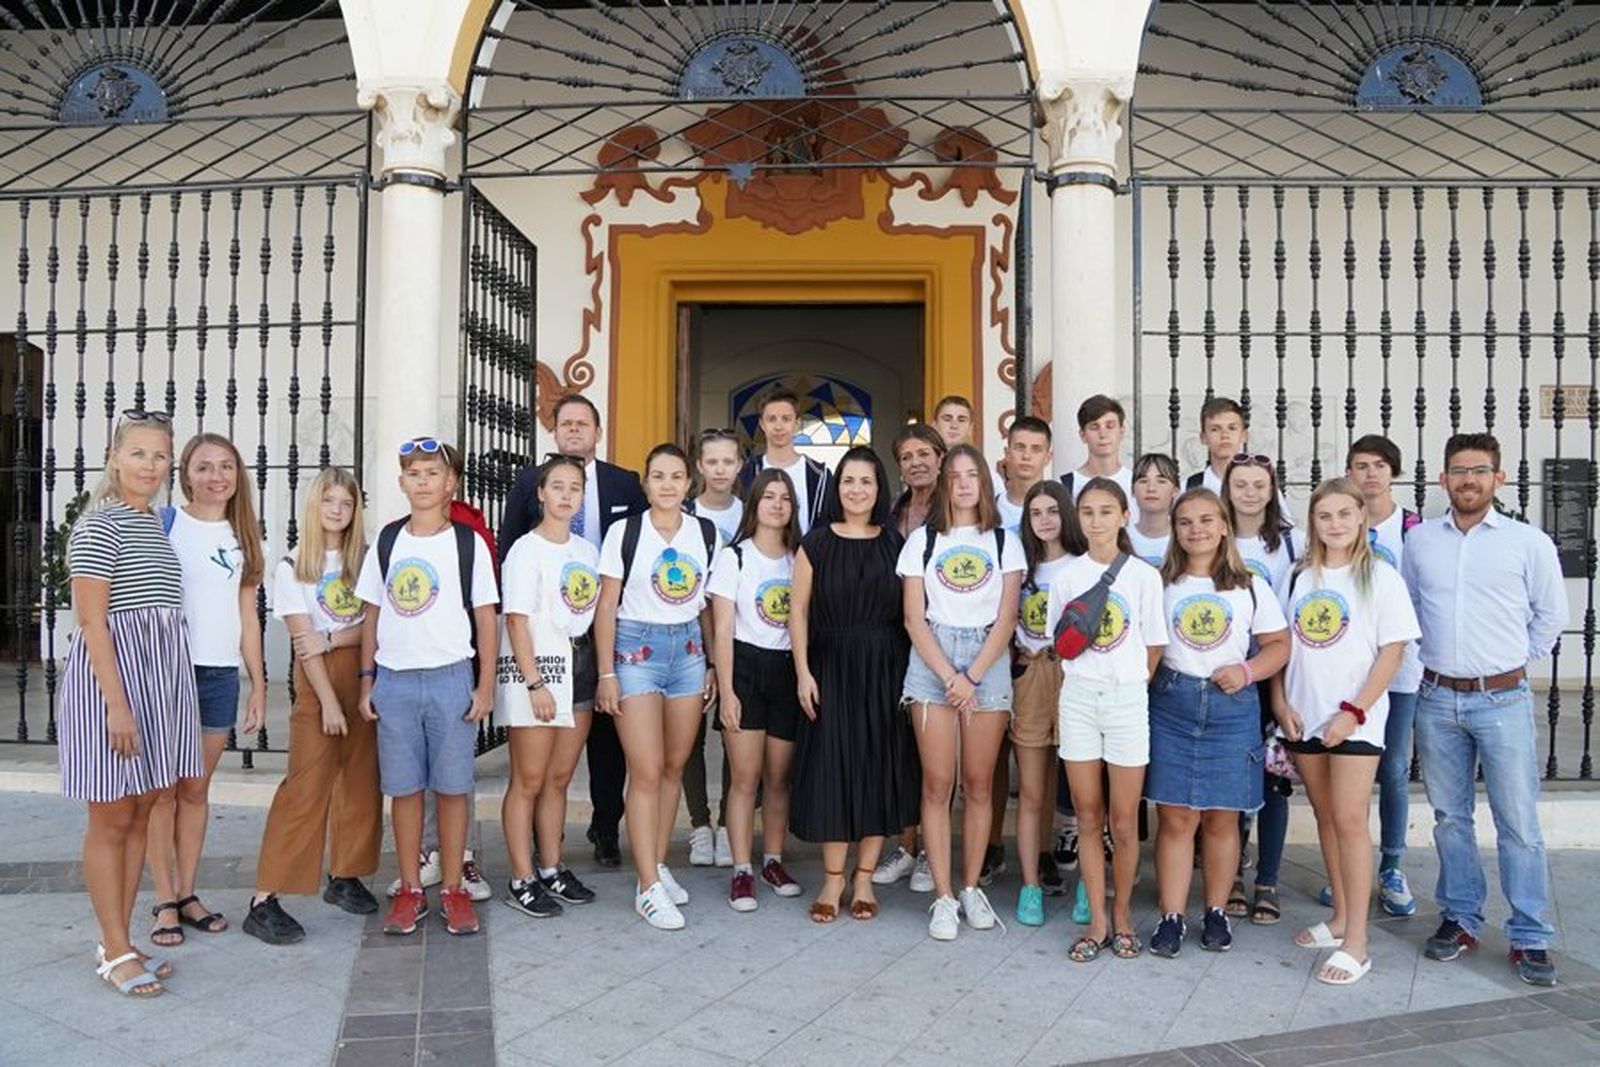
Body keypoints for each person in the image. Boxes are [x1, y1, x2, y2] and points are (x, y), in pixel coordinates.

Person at [1403, 433, 1568, 987]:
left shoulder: (1528, 543)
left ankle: (1530, 933)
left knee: (1518, 823)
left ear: (1498, 478)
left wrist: (1507, 664)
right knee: (1450, 818)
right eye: (1458, 470)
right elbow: (1408, 612)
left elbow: (1549, 617)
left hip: (1502, 699)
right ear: (1443, 479)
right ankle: (1460, 917)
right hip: (1436, 697)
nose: (1467, 479)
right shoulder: (1421, 542)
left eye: (1479, 470)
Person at [61, 410, 198, 997]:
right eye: (138, 453)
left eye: (160, 456)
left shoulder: (152, 524)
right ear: (115, 458)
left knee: (143, 810)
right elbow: (93, 623)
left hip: (157, 685)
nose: (150, 465)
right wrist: (117, 706)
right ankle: (113, 948)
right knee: (112, 817)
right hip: (113, 687)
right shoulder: (99, 525)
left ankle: (119, 939)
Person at [1273, 478, 1420, 986]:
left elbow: (1392, 652)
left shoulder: (1380, 578)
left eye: (1343, 514)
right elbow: (1280, 644)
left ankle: (1358, 942)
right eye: (1324, 515)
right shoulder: (1299, 576)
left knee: (1351, 820)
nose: (1334, 524)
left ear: (1361, 517)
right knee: (1326, 816)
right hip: (1304, 716)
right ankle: (1338, 919)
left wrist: (1354, 711)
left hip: (1353, 720)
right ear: (1312, 522)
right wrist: (1278, 701)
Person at [357, 437, 499, 936]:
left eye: (432, 473)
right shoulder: (389, 541)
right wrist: (367, 679)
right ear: (401, 483)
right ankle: (412, 885)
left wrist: (485, 687)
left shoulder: (468, 543)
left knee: (454, 787)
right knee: (405, 788)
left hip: (450, 677)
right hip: (395, 680)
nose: (422, 481)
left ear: (450, 483)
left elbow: (486, 619)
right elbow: (372, 614)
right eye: (413, 473)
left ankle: (455, 886)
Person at [499, 393, 645, 869]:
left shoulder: (621, 490)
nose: (576, 430)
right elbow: (514, 587)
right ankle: (531, 866)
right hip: (541, 648)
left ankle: (594, 838)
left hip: (597, 641)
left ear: (597, 432)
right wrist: (531, 678)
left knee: (590, 757)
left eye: (584, 423)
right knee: (533, 774)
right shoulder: (527, 510)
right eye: (567, 423)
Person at [1146, 487, 1289, 959]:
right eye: (1186, 522)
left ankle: (1215, 911)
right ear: (1175, 529)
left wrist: (1247, 670)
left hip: (1231, 708)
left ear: (1225, 525)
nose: (1196, 530)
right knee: (1176, 816)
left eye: (1207, 520)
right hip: (1172, 702)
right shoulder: (1159, 583)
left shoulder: (1248, 585)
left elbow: (1278, 645)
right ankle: (1171, 915)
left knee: (1223, 817)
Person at [244, 467, 383, 945]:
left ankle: (346, 874)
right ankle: (265, 898)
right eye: (330, 502)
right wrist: (327, 701)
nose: (338, 511)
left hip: (361, 672)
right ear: (314, 506)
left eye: (347, 503)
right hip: (319, 683)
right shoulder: (291, 566)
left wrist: (332, 636)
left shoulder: (364, 560)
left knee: (362, 781)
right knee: (306, 787)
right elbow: (304, 643)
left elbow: (372, 626)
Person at [899, 445, 1025, 941]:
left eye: (973, 475)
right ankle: (944, 895)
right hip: (932, 656)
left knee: (977, 782)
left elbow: (1008, 617)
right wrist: (949, 674)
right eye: (956, 476)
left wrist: (970, 676)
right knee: (937, 782)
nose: (965, 483)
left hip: (986, 662)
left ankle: (972, 886)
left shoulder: (1003, 542)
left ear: (984, 483)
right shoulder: (922, 542)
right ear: (945, 484)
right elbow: (913, 616)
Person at [789, 446, 919, 923]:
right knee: (832, 769)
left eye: (866, 481)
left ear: (879, 488)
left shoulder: (897, 544)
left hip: (885, 667)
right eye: (848, 481)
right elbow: (797, 611)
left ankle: (864, 878)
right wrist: (802, 671)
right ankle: (832, 878)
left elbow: (911, 615)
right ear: (837, 488)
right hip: (829, 666)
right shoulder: (815, 543)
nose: (857, 490)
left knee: (876, 768)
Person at [146, 432, 267, 947]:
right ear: (186, 474)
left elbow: (247, 616)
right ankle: (164, 899)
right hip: (168, 672)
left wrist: (258, 683)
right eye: (203, 467)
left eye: (226, 466)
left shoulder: (243, 535)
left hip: (218, 675)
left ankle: (189, 892)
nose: (216, 475)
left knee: (195, 790)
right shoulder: (165, 524)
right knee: (163, 792)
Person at [595, 443, 721, 931]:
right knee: (645, 770)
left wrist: (710, 662)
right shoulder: (624, 532)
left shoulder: (705, 533)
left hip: (687, 651)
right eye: (658, 476)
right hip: (635, 650)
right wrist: (607, 672)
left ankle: (659, 863)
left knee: (673, 766)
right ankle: (646, 885)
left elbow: (708, 606)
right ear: (645, 483)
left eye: (676, 476)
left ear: (689, 484)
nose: (667, 484)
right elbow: (606, 606)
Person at [1049, 478, 1166, 961]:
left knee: (1123, 820)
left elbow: (1154, 644)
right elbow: (1062, 647)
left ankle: (1122, 917)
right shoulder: (1065, 577)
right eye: (1088, 512)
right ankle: (1097, 920)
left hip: (1125, 700)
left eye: (1105, 511)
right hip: (1079, 698)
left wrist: (1130, 684)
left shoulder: (1143, 577)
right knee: (1088, 815)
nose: (1096, 521)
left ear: (1124, 517)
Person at [497, 455, 602, 920]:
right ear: (540, 494)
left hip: (579, 663)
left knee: (559, 779)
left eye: (574, 487)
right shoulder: (526, 549)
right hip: (539, 667)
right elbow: (516, 620)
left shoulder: (585, 550)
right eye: (556, 486)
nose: (565, 494)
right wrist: (533, 681)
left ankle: (552, 867)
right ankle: (522, 875)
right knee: (529, 780)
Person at [709, 470, 805, 911]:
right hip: (745, 668)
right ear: (754, 504)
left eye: (785, 498)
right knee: (745, 779)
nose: (777, 505)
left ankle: (772, 860)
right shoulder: (735, 557)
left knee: (779, 780)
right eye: (769, 497)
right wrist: (727, 691)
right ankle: (742, 869)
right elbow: (724, 628)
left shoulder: (799, 557)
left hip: (786, 670)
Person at [1343, 434, 1424, 917]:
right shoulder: (1340, 525)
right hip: (1348, 674)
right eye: (1360, 465)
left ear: (1392, 472)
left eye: (1378, 465)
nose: (1370, 474)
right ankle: (1348, 866)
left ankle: (1391, 865)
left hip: (1400, 672)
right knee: (1349, 776)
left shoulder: (1415, 529)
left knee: (1392, 770)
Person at [875, 422, 946, 893]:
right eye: (907, 456)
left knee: (935, 757)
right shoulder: (894, 513)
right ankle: (906, 843)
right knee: (901, 748)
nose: (916, 462)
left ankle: (930, 856)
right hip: (895, 638)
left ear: (941, 457)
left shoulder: (954, 510)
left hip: (939, 641)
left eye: (925, 453)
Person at [1011, 481, 1083, 925]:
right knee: (1034, 790)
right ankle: (1030, 886)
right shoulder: (1020, 566)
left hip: (1075, 674)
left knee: (1083, 791)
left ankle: (1088, 889)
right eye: (1036, 512)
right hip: (1032, 672)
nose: (1045, 520)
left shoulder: (1084, 565)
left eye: (1053, 511)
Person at [684, 428, 745, 868]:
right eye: (712, 462)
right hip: (688, 639)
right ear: (699, 467)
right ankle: (699, 826)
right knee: (688, 737)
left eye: (729, 461)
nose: (720, 469)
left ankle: (728, 826)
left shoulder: (751, 515)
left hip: (738, 638)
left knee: (733, 733)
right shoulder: (681, 514)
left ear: (740, 465)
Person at [736, 390, 830, 535]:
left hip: (805, 556)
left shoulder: (819, 476)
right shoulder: (748, 472)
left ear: (797, 423)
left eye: (786, 419)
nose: (778, 427)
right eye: (772, 419)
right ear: (762, 424)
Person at [1060, 396, 1137, 520]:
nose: (1103, 434)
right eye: (1094, 427)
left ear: (1121, 432)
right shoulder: (1066, 486)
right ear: (1083, 435)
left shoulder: (1137, 485)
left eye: (1110, 426)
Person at [994, 415, 1053, 534]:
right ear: (1007, 453)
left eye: (1036, 449)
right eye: (1020, 448)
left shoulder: (1062, 510)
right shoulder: (988, 511)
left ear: (1048, 457)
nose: (1026, 456)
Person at [1129, 453, 1180, 566]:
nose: (1151, 488)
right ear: (1132, 490)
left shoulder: (1184, 536)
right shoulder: (1122, 538)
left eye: (1161, 481)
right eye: (1143, 481)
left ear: (1175, 491)